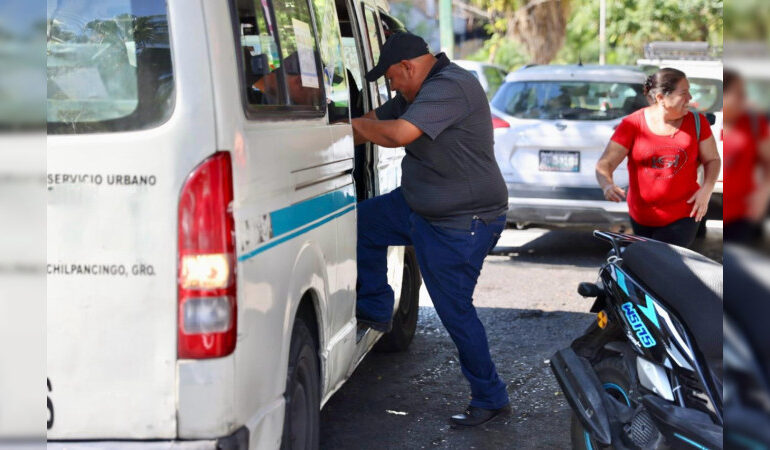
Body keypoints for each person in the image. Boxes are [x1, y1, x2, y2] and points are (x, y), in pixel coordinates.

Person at [351, 32, 510, 427]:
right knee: (363, 222)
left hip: (461, 221)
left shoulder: (451, 86)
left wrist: (350, 126)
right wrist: (332, 124)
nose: (391, 86)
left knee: (455, 312)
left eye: (390, 78)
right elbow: (376, 121)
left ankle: (490, 397)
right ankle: (375, 307)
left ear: (408, 67)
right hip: (418, 205)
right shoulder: (415, 90)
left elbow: (397, 134)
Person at [596, 68, 721, 247]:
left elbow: (713, 160)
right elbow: (605, 164)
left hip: (684, 215)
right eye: (684, 93)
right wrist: (607, 185)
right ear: (661, 98)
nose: (690, 99)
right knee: (649, 268)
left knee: (667, 265)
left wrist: (707, 189)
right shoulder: (633, 124)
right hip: (641, 216)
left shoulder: (697, 122)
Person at [722, 69, 770, 243]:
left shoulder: (754, 122)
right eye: (739, 94)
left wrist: (762, 195)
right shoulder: (706, 122)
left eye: (744, 94)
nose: (744, 99)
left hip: (740, 215)